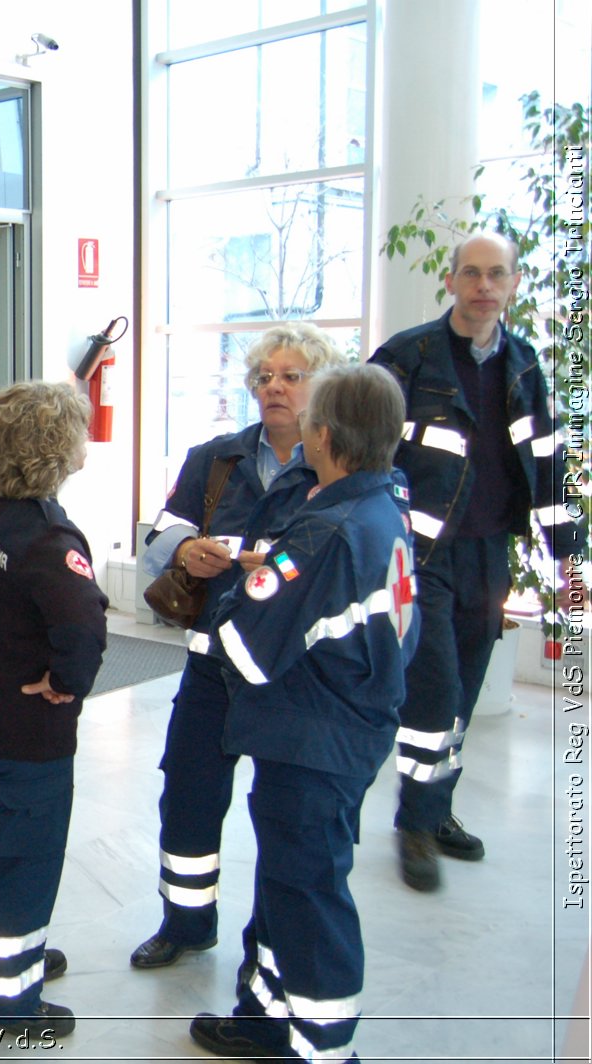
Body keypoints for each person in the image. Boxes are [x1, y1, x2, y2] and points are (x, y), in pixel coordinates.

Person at [189, 363, 419, 1063]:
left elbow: (245, 647)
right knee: (287, 883)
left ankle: (323, 1047)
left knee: (309, 895)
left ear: (323, 433)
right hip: (346, 730)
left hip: (312, 743)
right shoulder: (389, 503)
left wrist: (246, 578)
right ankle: (264, 1017)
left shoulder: (324, 533)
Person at [370, 231, 583, 892]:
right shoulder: (408, 357)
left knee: (460, 691)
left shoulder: (522, 364)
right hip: (421, 555)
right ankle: (415, 824)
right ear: (453, 282)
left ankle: (436, 810)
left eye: (497, 274)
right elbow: (361, 448)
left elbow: (546, 466)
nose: (484, 286)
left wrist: (569, 561)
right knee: (433, 689)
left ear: (513, 283)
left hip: (492, 554)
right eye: (472, 273)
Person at [131, 324, 347, 970]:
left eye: (291, 375)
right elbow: (162, 527)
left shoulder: (337, 463)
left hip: (292, 674)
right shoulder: (216, 456)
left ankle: (275, 946)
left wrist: (271, 562)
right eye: (264, 377)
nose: (274, 387)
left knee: (286, 816)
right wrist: (183, 548)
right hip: (211, 662)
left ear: (322, 387)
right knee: (189, 792)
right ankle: (186, 921)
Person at [0, 381, 106, 1039]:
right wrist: (68, 683)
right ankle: (3, 1001)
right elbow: (84, 630)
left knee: (7, 844)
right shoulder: (45, 535)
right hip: (23, 728)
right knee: (23, 857)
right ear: (57, 448)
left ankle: (13, 959)